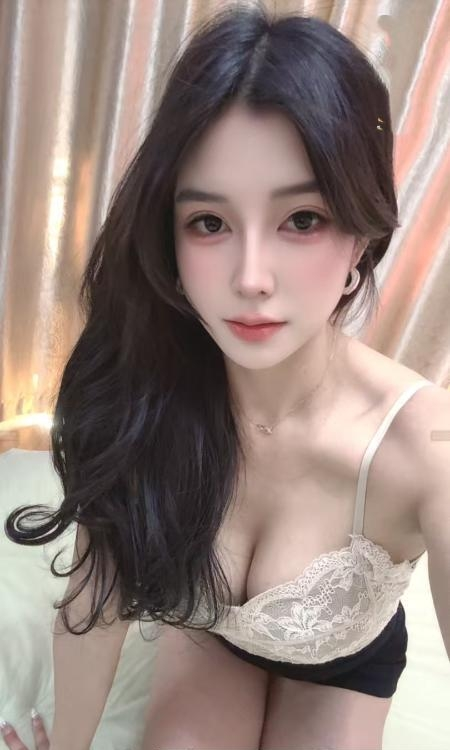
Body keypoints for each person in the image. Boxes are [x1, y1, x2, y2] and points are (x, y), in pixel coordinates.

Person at [2, 4, 445, 750]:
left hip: (343, 664)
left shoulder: (425, 447)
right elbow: (96, 598)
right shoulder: (143, 391)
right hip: (213, 638)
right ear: (170, 240)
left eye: (302, 219)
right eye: (209, 222)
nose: (250, 278)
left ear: (361, 235)